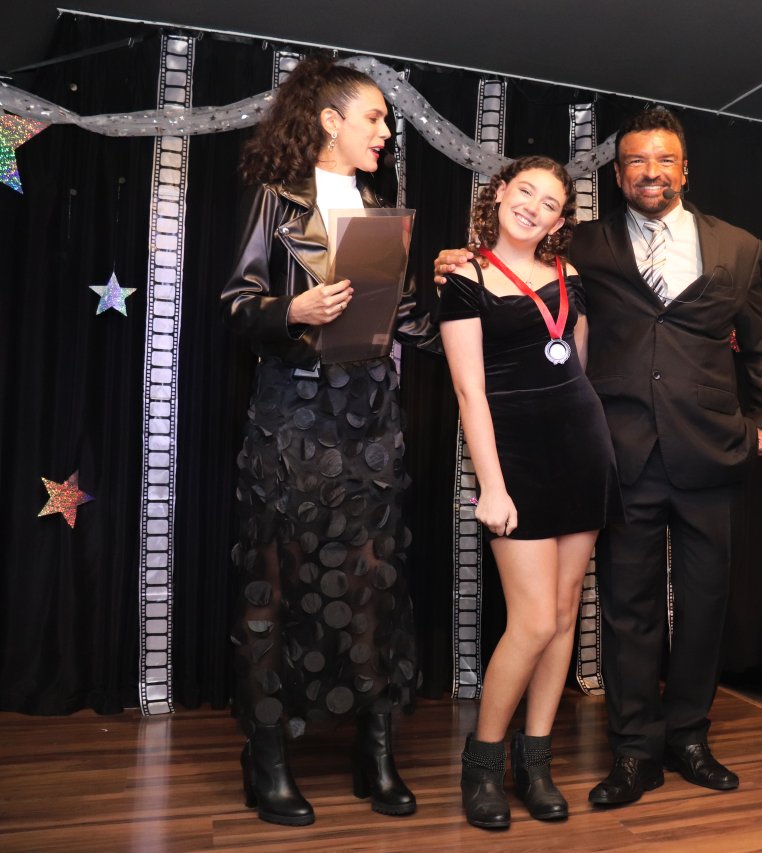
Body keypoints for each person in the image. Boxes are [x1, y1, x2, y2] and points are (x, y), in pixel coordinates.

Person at [435, 108, 762, 807]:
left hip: (711, 451)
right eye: (635, 162)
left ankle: (690, 738)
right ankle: (633, 752)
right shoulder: (582, 246)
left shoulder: (739, 247)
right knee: (627, 609)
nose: (651, 172)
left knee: (705, 603)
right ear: (617, 175)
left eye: (664, 160)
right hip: (621, 456)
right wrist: (456, 259)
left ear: (684, 170)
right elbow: (511, 265)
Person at [222, 55, 437, 826]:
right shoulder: (274, 197)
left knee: (371, 585)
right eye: (375, 117)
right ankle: (267, 757)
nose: (385, 132)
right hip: (292, 422)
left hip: (370, 427)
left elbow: (406, 322)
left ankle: (374, 753)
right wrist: (293, 311)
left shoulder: (381, 208)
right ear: (329, 120)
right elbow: (239, 304)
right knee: (275, 587)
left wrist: (462, 292)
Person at [437, 155, 615, 828]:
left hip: (582, 451)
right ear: (501, 193)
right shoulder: (464, 277)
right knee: (534, 619)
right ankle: (482, 760)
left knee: (565, 615)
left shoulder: (570, 276)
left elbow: (578, 363)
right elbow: (468, 392)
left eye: (550, 203)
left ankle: (535, 760)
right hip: (515, 457)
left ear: (560, 221)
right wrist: (491, 484)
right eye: (526, 191)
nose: (534, 207)